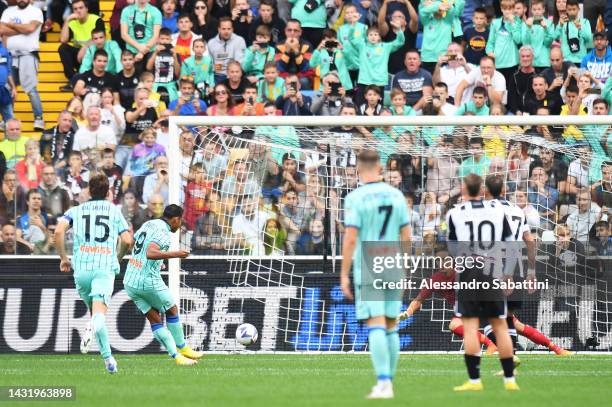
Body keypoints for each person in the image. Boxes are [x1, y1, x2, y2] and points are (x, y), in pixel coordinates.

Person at [340, 150, 411, 399]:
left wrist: (343, 274)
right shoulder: (396, 195)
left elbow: (350, 238)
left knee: (376, 323)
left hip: (369, 261)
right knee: (391, 324)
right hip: (393, 259)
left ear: (358, 168)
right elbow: (406, 234)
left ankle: (383, 383)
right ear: (380, 167)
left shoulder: (355, 198)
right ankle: (388, 382)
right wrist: (405, 263)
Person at [55, 174, 134, 373]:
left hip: (81, 269)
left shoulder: (76, 210)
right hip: (103, 268)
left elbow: (58, 232)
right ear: (108, 192)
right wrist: (118, 258)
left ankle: (109, 362)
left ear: (89, 191)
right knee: (98, 316)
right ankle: (91, 326)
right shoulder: (114, 211)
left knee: (95, 314)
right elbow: (126, 240)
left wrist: (64, 258)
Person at [446, 173, 518, 392]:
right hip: (492, 269)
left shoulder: (455, 212)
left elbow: (452, 246)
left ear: (464, 189)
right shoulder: (498, 210)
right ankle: (510, 381)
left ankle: (475, 381)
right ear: (483, 189)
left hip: (468, 271)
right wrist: (508, 274)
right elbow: (511, 244)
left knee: (470, 326)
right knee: (500, 325)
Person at [123, 204, 203, 365]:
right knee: (172, 309)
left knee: (155, 319)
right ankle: (183, 347)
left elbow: (136, 243)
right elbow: (150, 252)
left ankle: (177, 356)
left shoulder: (148, 224)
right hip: (147, 280)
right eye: (180, 221)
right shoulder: (164, 233)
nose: (180, 225)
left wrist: (158, 262)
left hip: (130, 280)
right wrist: (177, 254)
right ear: (175, 219)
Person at [0, 0, 45, 131]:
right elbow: (1, 30)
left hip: (28, 54)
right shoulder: (8, 11)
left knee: (30, 89)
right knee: (7, 89)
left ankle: (39, 119)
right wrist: (22, 29)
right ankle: (7, 120)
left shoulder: (36, 11)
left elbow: (30, 28)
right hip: (8, 55)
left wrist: (11, 25)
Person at [351, 23, 404, 104]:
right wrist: (353, 28)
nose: (373, 37)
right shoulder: (362, 46)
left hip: (379, 81)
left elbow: (400, 42)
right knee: (360, 106)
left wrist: (399, 30)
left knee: (378, 108)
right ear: (367, 36)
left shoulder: (385, 47)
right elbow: (352, 39)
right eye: (370, 34)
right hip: (364, 81)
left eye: (376, 34)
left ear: (379, 37)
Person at [58, 0, 105, 87]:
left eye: (81, 8)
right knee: (63, 48)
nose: (78, 11)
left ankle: (85, 79)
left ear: (86, 8)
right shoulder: (72, 23)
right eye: (75, 9)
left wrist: (85, 47)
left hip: (93, 53)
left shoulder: (96, 20)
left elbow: (99, 38)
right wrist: (67, 20)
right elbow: (63, 40)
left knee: (91, 50)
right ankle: (73, 80)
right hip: (79, 55)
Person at [418, 0, 463, 73]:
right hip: (427, 58)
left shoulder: (447, 21)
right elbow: (422, 11)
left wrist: (436, 5)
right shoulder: (426, 21)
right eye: (439, 9)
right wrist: (437, 6)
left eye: (441, 9)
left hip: (444, 58)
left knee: (443, 83)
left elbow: (451, 9)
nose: (440, 10)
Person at [120, 0, 162, 70]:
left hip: (150, 50)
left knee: (149, 77)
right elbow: (124, 34)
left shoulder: (155, 11)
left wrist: (142, 52)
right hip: (132, 51)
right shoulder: (126, 11)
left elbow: (156, 35)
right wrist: (139, 47)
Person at [554, 0, 593, 65]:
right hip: (566, 61)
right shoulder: (562, 22)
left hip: (581, 61)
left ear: (578, 9)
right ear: (566, 10)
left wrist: (580, 28)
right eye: (569, 9)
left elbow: (588, 39)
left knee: (580, 75)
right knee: (568, 75)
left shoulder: (585, 22)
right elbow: (555, 37)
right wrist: (560, 25)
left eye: (574, 9)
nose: (572, 12)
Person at [208, 17, 246, 83]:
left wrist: (230, 73)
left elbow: (240, 62)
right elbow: (209, 63)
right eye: (223, 29)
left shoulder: (239, 40)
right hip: (217, 75)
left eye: (229, 29)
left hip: (234, 75)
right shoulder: (211, 43)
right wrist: (214, 68)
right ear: (219, 29)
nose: (226, 31)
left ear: (232, 29)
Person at [521, 0, 554, 71]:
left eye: (539, 9)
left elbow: (548, 43)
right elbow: (525, 43)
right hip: (531, 62)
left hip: (544, 61)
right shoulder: (526, 23)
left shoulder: (549, 23)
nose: (536, 11)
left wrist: (545, 29)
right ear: (531, 10)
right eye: (534, 9)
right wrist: (528, 28)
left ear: (543, 9)